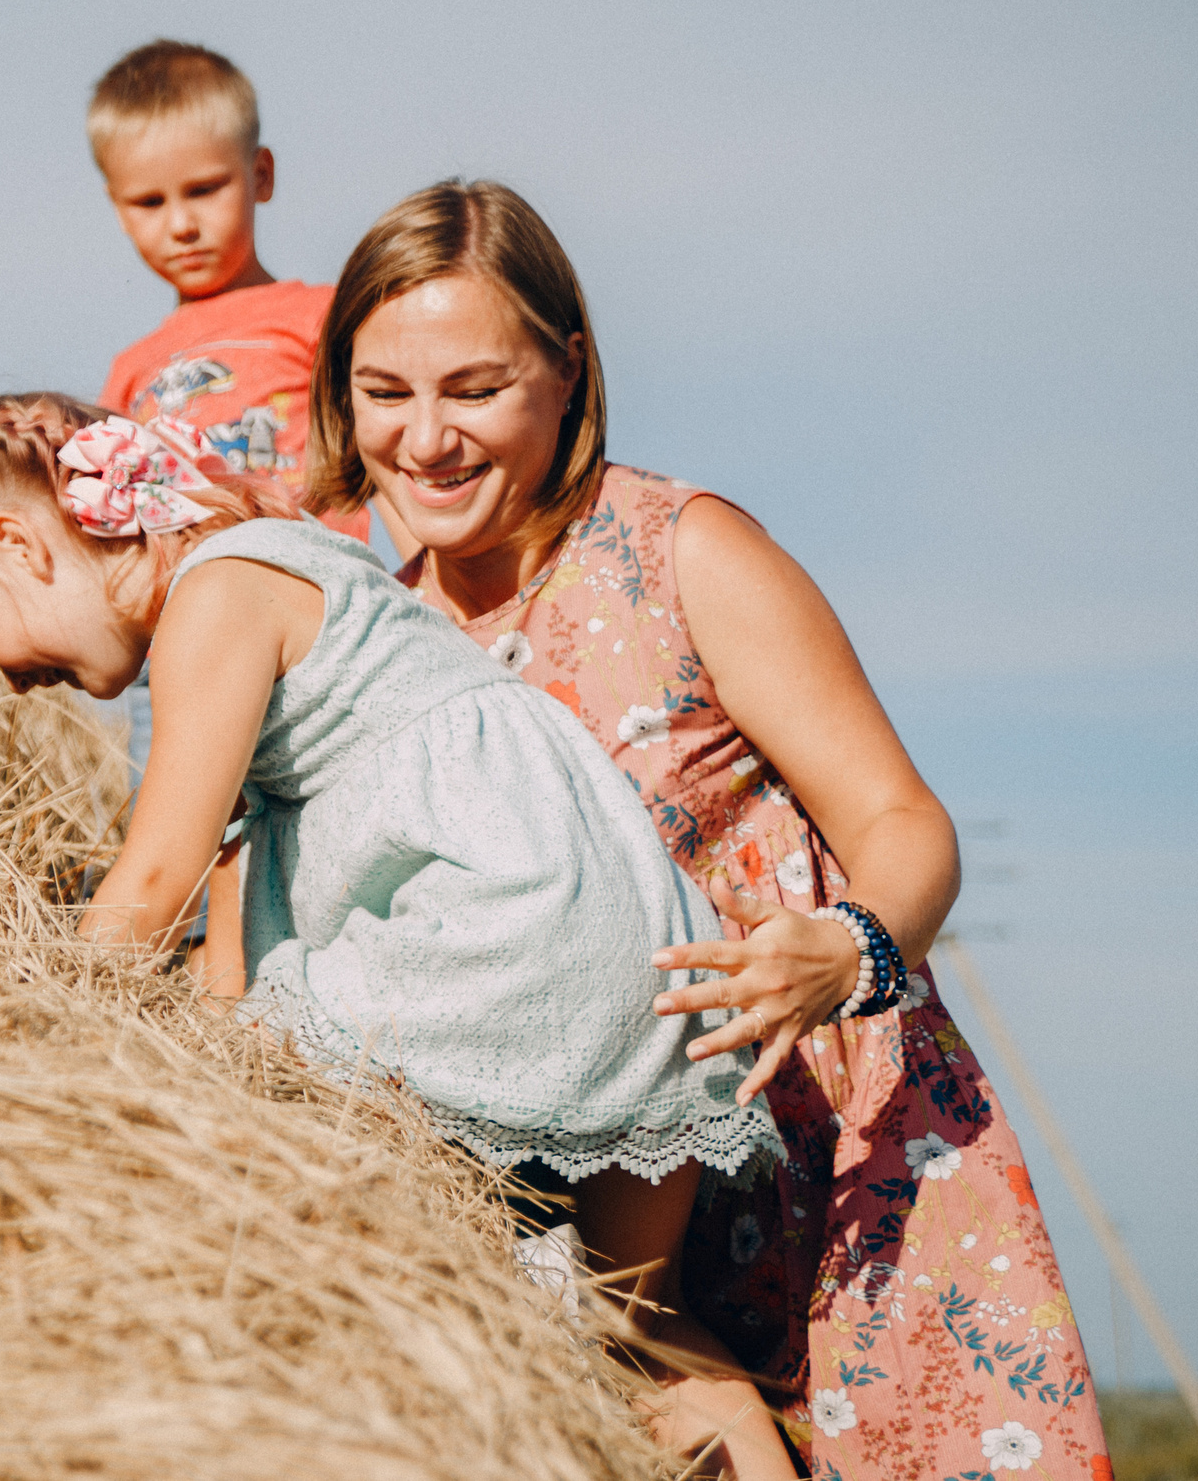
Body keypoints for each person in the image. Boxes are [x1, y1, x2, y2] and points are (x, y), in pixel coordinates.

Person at [302, 179, 1111, 1478]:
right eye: (385, 390)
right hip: (590, 1214)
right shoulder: (372, 639)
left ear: (567, 372)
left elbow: (904, 820)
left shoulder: (682, 549)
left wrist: (847, 948)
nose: (427, 436)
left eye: (475, 386)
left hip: (833, 1158)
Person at [0, 393, 796, 1478]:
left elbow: (159, 873)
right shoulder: (277, 565)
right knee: (636, 1318)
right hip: (626, 943)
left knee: (305, 1193)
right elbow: (234, 881)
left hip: (498, 934)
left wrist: (32, 1035)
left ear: (20, 544)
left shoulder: (213, 602)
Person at [85, 40, 395, 991]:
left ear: (259, 176)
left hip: (305, 615)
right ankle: (213, 1015)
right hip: (187, 627)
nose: (180, 223)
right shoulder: (133, 369)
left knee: (296, 824)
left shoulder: (317, 315)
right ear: (115, 204)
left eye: (205, 189)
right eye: (149, 203)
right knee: (197, 813)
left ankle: (264, 994)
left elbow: (382, 448)